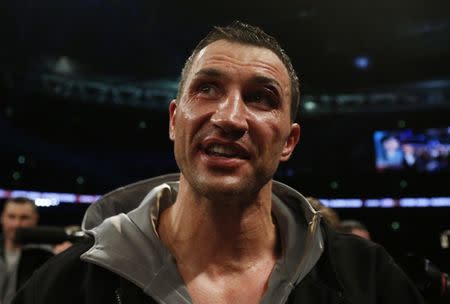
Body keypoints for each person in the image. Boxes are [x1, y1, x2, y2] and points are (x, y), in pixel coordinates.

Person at [13, 21, 424, 304]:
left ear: (289, 142)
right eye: (207, 89)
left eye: (261, 97)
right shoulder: (66, 287)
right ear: (175, 120)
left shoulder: (368, 280)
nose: (229, 117)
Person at [0, 197, 53, 304]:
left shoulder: (48, 256)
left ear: (35, 219)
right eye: (11, 217)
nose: (17, 224)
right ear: (2, 218)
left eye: (24, 218)